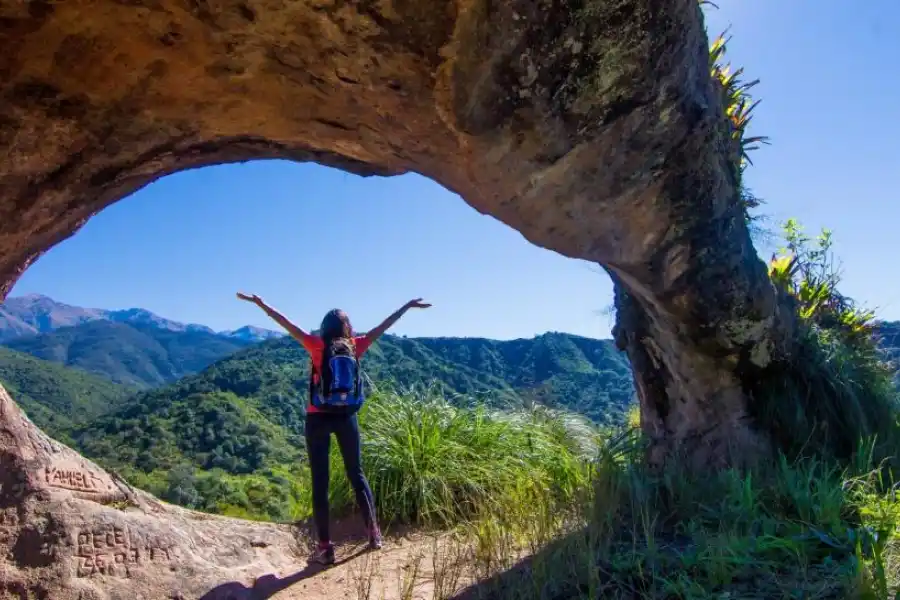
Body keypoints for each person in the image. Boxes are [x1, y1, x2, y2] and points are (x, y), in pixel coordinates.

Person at [236, 292, 432, 564]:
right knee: (357, 474)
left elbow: (286, 323)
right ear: (348, 328)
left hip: (317, 415)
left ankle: (325, 548)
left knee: (320, 482)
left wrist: (260, 304)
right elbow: (383, 327)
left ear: (325, 327)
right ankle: (373, 534)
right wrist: (407, 307)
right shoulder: (356, 346)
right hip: (346, 416)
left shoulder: (316, 345)